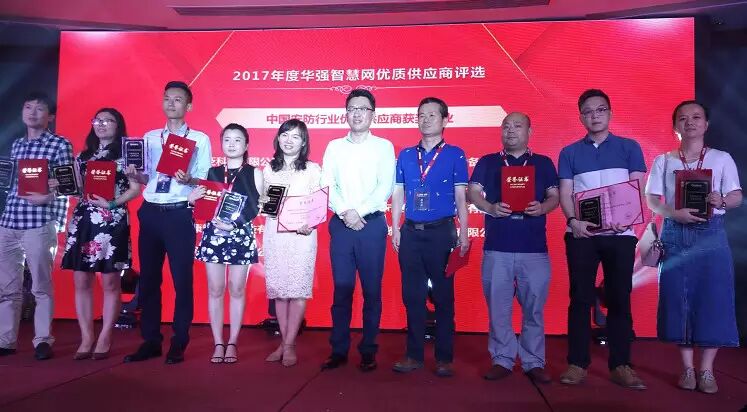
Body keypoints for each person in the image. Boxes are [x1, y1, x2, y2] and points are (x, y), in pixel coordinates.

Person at [644, 101, 741, 394]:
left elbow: (736, 196)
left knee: (713, 298)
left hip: (711, 234)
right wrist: (673, 213)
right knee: (679, 299)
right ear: (675, 126)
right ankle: (687, 368)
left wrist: (721, 201)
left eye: (696, 117)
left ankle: (707, 369)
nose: (690, 122)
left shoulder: (722, 158)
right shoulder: (664, 160)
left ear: (706, 124)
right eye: (683, 118)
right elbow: (652, 199)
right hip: (675, 233)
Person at [557, 89, 647, 390]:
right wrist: (573, 221)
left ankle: (621, 365)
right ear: (580, 117)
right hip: (581, 235)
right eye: (588, 111)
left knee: (620, 298)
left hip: (621, 234)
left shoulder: (629, 147)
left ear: (610, 113)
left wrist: (627, 217)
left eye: (600, 110)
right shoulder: (569, 152)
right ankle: (577, 363)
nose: (594, 116)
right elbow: (566, 192)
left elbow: (636, 188)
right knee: (580, 298)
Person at [123, 81, 212, 365]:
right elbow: (147, 178)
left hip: (178, 213)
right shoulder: (150, 138)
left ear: (189, 106)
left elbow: (204, 178)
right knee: (149, 279)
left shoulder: (199, 139)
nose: (171, 103)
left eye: (177, 99)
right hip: (150, 212)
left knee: (182, 279)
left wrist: (190, 179)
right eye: (167, 99)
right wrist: (135, 176)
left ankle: (179, 340)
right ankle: (151, 340)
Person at [468, 112, 559, 384]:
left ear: (530, 132)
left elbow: (554, 196)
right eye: (506, 126)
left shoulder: (543, 163)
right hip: (498, 247)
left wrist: (542, 207)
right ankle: (502, 359)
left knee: (534, 308)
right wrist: (489, 207)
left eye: (517, 126)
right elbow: (473, 192)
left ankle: (533, 361)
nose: (510, 131)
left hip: (534, 248)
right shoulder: (488, 161)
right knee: (498, 308)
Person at [390, 97, 469, 377]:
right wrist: (395, 227)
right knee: (412, 296)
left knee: (444, 296)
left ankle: (444, 357)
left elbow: (461, 196)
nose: (425, 120)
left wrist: (464, 231)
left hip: (442, 232)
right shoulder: (406, 155)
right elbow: (398, 193)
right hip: (411, 232)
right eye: (421, 115)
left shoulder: (456, 154)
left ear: (445, 120)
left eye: (432, 115)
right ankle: (413, 355)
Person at [320, 89, 395, 372]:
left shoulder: (383, 147)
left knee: (371, 291)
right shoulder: (334, 147)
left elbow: (384, 187)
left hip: (371, 225)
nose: (357, 114)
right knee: (342, 290)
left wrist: (358, 212)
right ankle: (338, 349)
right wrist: (345, 212)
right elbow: (327, 185)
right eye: (352, 109)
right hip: (341, 225)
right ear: (346, 113)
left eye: (363, 109)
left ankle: (368, 350)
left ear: (373, 114)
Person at [59, 108, 141, 360]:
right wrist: (60, 185)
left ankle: (105, 335)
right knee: (81, 280)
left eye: (108, 121)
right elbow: (76, 190)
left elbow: (135, 189)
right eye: (98, 120)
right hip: (84, 221)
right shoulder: (82, 157)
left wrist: (113, 203)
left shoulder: (126, 156)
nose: (102, 124)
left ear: (118, 126)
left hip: (112, 220)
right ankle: (86, 337)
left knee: (110, 281)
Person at [0, 92, 73, 360]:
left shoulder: (60, 144)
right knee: (7, 287)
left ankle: (42, 340)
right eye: (28, 107)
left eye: (39, 109)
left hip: (39, 222)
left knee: (41, 286)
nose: (32, 113)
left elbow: (68, 183)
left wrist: (49, 197)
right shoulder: (17, 145)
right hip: (9, 220)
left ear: (50, 116)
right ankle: (5, 340)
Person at [190, 123, 261, 364]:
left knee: (237, 289)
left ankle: (233, 342)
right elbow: (203, 206)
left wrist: (235, 224)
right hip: (214, 235)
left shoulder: (254, 172)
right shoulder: (212, 172)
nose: (232, 144)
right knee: (215, 289)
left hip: (240, 234)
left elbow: (256, 206)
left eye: (237, 139)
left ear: (246, 144)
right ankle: (218, 342)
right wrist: (192, 200)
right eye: (227, 139)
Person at [262, 119, 321, 367]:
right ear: (278, 138)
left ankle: (289, 345)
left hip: (302, 236)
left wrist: (311, 222)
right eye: (285, 135)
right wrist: (265, 205)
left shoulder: (312, 169)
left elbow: (318, 203)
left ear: (304, 142)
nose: (289, 140)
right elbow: (265, 204)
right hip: (275, 233)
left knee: (297, 290)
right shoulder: (268, 169)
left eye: (296, 136)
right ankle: (284, 343)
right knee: (279, 291)